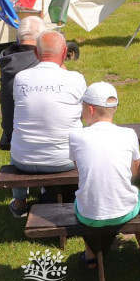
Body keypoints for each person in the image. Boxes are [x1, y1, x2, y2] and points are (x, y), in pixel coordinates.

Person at [68, 82, 140, 269]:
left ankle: (91, 256)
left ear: (90, 109)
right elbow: (136, 171)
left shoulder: (76, 136)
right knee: (139, 196)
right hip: (125, 210)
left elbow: (79, 169)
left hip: (88, 214)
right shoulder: (129, 134)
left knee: (81, 198)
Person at [8, 31, 87, 217]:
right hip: (65, 160)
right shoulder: (75, 79)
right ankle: (84, 198)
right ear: (65, 52)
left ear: (36, 53)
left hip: (23, 160)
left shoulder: (20, 78)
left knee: (20, 140)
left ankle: (20, 203)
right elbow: (84, 115)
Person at [0, 15, 46, 151]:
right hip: (42, 140)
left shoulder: (7, 60)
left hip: (12, 135)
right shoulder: (39, 63)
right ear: (42, 38)